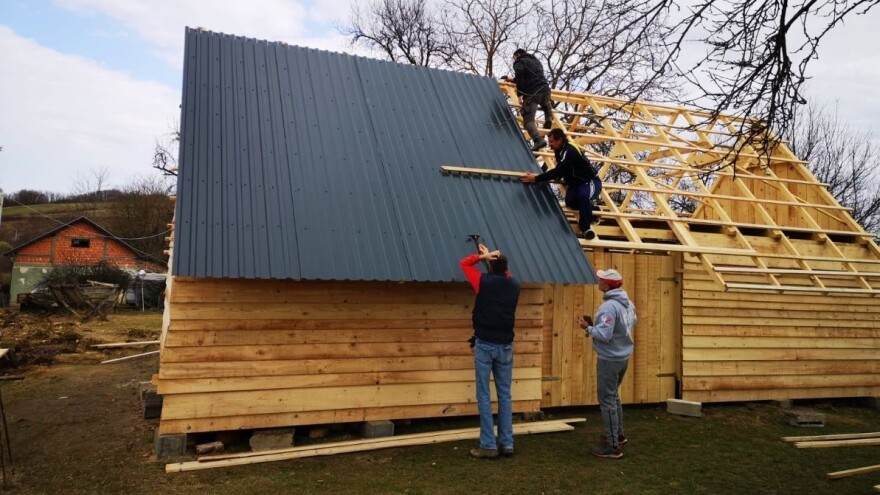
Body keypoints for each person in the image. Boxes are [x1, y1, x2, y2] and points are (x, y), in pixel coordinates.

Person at [459, 243, 521, 459]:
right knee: (505, 396)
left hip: (485, 344)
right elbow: (505, 275)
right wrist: (492, 257)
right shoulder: (514, 285)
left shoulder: (482, 282)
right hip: (506, 346)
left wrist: (481, 256)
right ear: (506, 268)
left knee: (484, 395)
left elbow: (464, 264)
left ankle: (488, 445)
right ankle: (507, 444)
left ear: (490, 267)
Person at [578, 268, 636, 459]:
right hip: (622, 357)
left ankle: (612, 446)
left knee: (607, 400)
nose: (599, 281)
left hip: (609, 359)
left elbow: (603, 335)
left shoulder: (609, 307)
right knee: (614, 396)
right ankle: (618, 435)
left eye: (601, 280)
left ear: (606, 285)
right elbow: (632, 322)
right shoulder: (628, 303)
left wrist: (588, 327)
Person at [520, 128, 602, 239]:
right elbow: (562, 169)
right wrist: (558, 177)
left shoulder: (570, 151)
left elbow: (559, 170)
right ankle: (593, 210)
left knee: (583, 196)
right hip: (576, 185)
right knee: (570, 202)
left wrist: (536, 178)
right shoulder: (560, 150)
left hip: (590, 181)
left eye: (552, 142)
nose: (550, 145)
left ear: (560, 140)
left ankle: (586, 228)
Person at [501, 48, 553, 151]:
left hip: (532, 94)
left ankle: (538, 140)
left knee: (528, 120)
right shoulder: (536, 61)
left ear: (517, 55)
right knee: (545, 102)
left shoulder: (519, 62)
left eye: (514, 57)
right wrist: (512, 79)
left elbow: (521, 78)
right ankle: (548, 118)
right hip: (545, 90)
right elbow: (530, 77)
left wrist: (519, 94)